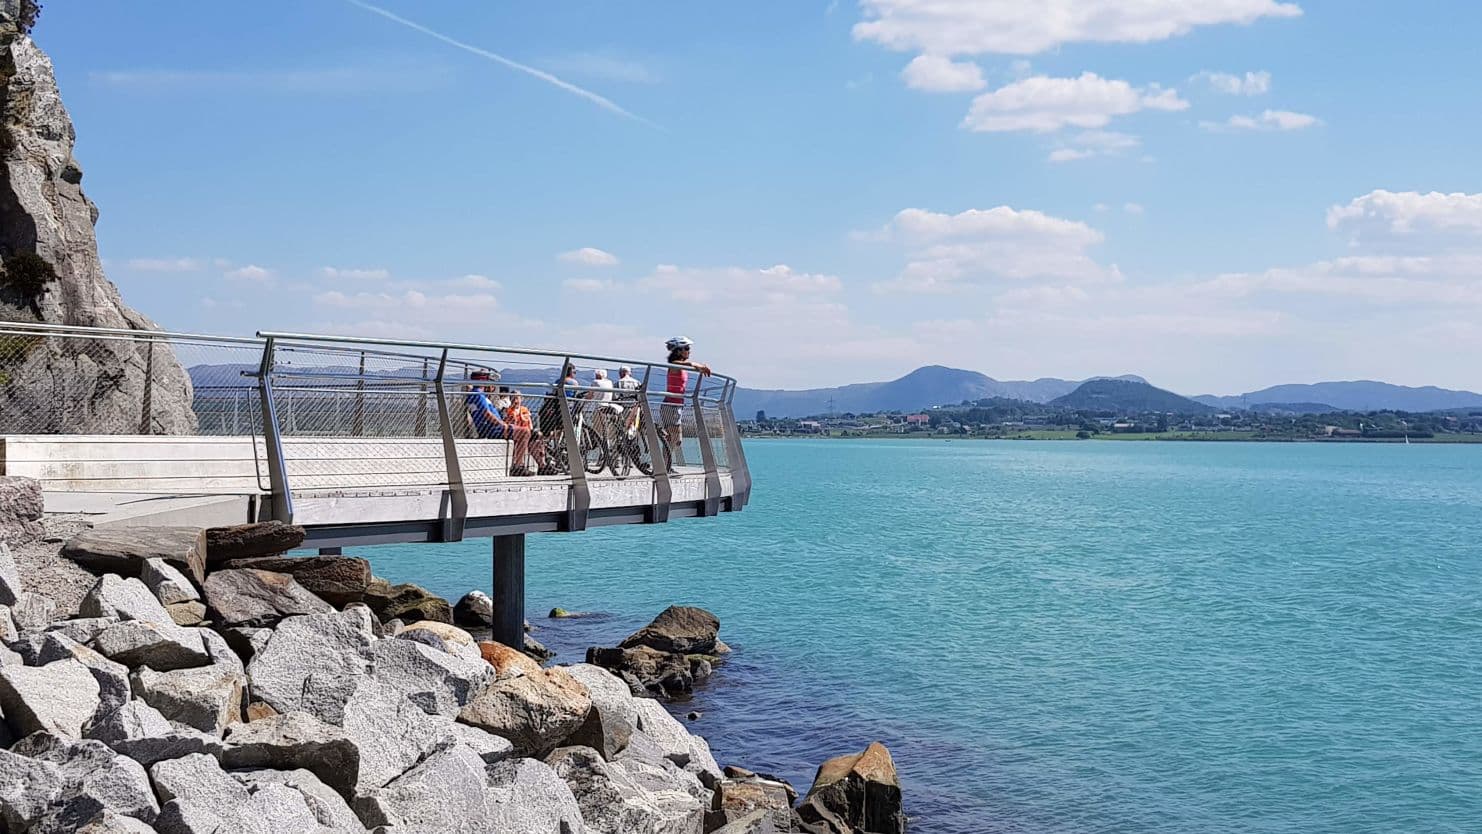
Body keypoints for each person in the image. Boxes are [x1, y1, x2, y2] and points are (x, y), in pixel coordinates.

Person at [662, 336, 711, 468]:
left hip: (677, 405)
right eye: (687, 348)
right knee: (676, 439)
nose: (689, 351)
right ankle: (664, 466)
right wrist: (700, 366)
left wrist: (701, 367)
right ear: (679, 351)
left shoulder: (680, 366)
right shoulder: (675, 365)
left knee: (672, 439)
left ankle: (665, 466)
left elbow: (690, 366)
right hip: (671, 405)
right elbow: (689, 364)